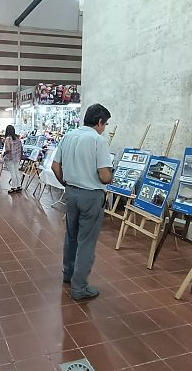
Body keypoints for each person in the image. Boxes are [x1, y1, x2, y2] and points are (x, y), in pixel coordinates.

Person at [51, 103, 113, 301]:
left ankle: (68, 274)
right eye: (105, 124)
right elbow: (104, 176)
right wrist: (112, 176)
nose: (104, 128)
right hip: (91, 196)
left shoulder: (68, 136)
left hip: (71, 193)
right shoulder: (98, 140)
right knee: (86, 241)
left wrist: (66, 183)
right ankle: (79, 287)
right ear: (100, 122)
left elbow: (55, 166)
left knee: (71, 236)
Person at [3, 125, 23, 193]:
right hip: (17, 157)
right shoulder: (17, 138)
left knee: (12, 172)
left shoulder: (8, 138)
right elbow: (21, 148)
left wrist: (4, 153)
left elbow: (8, 149)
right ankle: (19, 186)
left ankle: (13, 187)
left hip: (10, 157)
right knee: (16, 171)